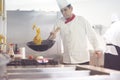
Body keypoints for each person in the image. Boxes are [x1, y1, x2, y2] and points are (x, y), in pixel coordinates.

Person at [49, 0, 104, 65]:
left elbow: (92, 35)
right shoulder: (59, 22)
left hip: (82, 59)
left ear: (71, 8)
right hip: (68, 60)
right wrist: (52, 36)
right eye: (62, 11)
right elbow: (53, 38)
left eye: (65, 10)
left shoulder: (81, 20)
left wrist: (97, 49)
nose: (63, 13)